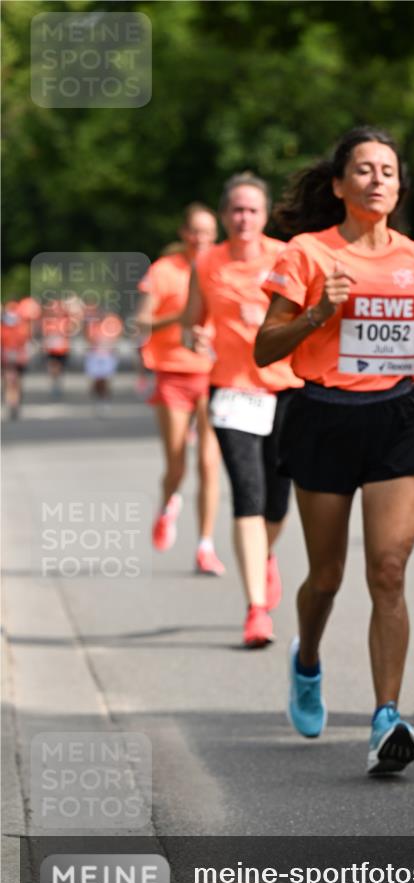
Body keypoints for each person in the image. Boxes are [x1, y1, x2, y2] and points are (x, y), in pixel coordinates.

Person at [255, 126, 414, 773]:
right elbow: (264, 349)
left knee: (389, 571)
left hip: (395, 416)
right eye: (365, 170)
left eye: (388, 171)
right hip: (322, 416)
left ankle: (385, 717)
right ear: (340, 184)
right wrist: (317, 313)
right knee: (326, 577)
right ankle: (308, 661)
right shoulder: (305, 253)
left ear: (398, 187)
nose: (378, 180)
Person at [182, 173, 302, 648]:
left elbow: (307, 318)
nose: (243, 218)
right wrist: (197, 336)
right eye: (235, 209)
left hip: (285, 389)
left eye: (252, 210)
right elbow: (193, 320)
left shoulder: (285, 256)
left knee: (278, 500)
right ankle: (256, 610)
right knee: (247, 495)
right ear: (224, 213)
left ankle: (264, 555)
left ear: (265, 214)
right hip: (231, 391)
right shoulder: (207, 261)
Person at [134, 203, 225, 576]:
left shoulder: (222, 267)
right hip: (172, 373)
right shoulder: (164, 271)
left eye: (208, 232)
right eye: (195, 232)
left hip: (215, 374)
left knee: (209, 463)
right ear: (183, 233)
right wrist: (182, 316)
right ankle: (168, 501)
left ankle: (205, 545)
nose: (201, 239)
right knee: (177, 463)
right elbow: (140, 322)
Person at [1, 297, 40, 419]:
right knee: (11, 381)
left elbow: (27, 342)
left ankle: (14, 403)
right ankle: (12, 403)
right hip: (8, 359)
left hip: (16, 359)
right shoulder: (6, 329)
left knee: (13, 382)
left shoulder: (21, 328)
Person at [84, 310, 123, 416]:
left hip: (108, 356)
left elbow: (116, 338)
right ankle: (98, 398)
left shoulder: (112, 324)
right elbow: (88, 339)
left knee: (105, 380)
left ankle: (105, 400)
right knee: (96, 380)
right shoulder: (92, 325)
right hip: (95, 355)